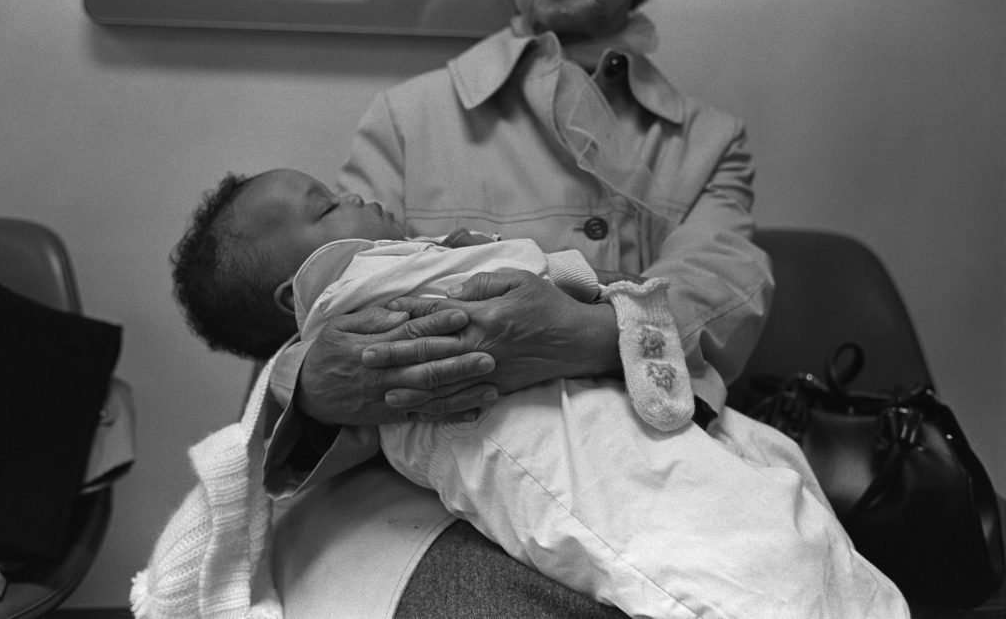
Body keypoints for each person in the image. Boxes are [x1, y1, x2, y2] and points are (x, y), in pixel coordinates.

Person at [146, 167, 907, 618]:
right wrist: (310, 378)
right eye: (332, 199)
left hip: (640, 392)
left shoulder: (706, 142)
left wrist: (596, 329)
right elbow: (312, 321)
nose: (358, 196)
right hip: (456, 477)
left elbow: (722, 285)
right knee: (708, 564)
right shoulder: (410, 123)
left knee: (767, 518)